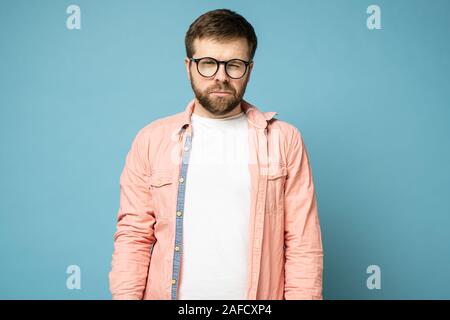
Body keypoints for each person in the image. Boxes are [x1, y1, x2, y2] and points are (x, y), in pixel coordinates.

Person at [109, 8, 323, 300]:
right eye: (208, 63)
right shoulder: (151, 140)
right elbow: (134, 236)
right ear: (188, 66)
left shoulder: (284, 140)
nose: (220, 77)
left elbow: (302, 243)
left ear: (249, 68)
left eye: (234, 65)